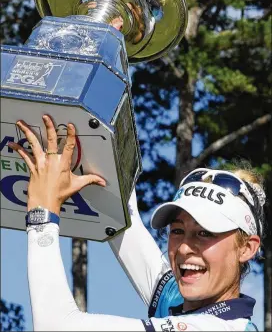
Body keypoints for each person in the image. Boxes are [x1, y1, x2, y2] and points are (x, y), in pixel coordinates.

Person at [9, 115, 266, 331]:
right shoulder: (178, 299)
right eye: (177, 230)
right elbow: (121, 210)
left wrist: (42, 212)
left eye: (205, 233)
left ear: (247, 248)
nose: (185, 247)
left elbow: (56, 327)